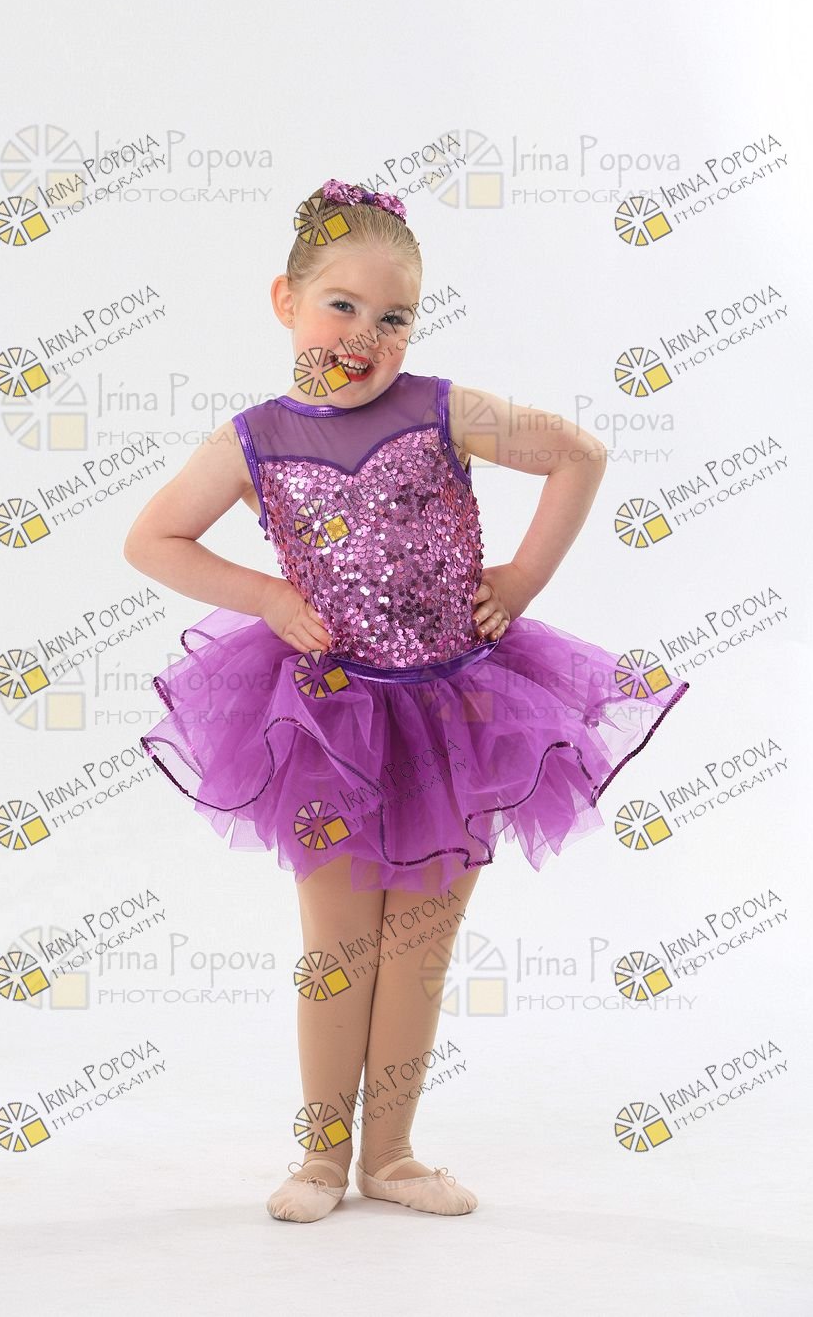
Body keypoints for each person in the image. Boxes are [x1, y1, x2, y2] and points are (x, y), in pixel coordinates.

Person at [123, 178, 690, 1223]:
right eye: (340, 305)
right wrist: (268, 596)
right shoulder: (252, 440)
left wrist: (521, 580)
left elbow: (578, 453)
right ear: (286, 301)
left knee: (418, 947)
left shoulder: (439, 409)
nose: (365, 336)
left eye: (394, 317)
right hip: (325, 722)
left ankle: (390, 1155)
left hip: (457, 718)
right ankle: (318, 1159)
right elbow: (151, 539)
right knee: (338, 950)